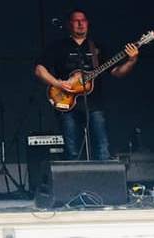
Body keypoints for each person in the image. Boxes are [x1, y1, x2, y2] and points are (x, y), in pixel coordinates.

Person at [34, 9, 138, 161]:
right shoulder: (59, 47)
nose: (80, 24)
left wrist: (131, 61)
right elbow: (39, 69)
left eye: (83, 20)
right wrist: (58, 83)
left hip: (94, 105)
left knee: (102, 147)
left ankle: (103, 181)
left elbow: (117, 72)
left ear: (88, 24)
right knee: (72, 150)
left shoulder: (97, 47)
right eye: (76, 21)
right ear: (69, 25)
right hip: (67, 103)